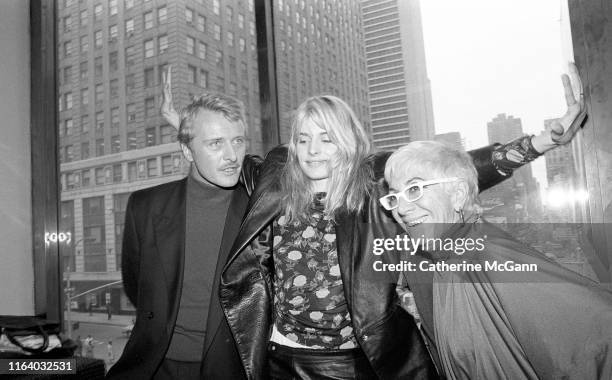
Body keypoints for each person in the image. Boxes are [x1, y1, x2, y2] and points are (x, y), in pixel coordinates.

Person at [160, 64, 585, 379]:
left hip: (353, 361)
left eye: (326, 138)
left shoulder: (373, 182)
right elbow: (226, 160)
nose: (312, 150)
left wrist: (540, 142)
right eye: (304, 138)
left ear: (346, 141)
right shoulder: (275, 173)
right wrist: (185, 128)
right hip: (277, 358)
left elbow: (448, 171)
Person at [382, 139, 612, 379]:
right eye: (394, 198)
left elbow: (598, 336)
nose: (402, 209)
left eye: (414, 189)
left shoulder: (491, 259)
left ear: (458, 195)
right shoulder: (439, 259)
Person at [106, 92, 252, 380]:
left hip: (233, 368)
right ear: (187, 151)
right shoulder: (145, 206)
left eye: (238, 141)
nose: (232, 156)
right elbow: (139, 287)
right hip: (158, 366)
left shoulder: (258, 208)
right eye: (215, 143)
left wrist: (195, 131)